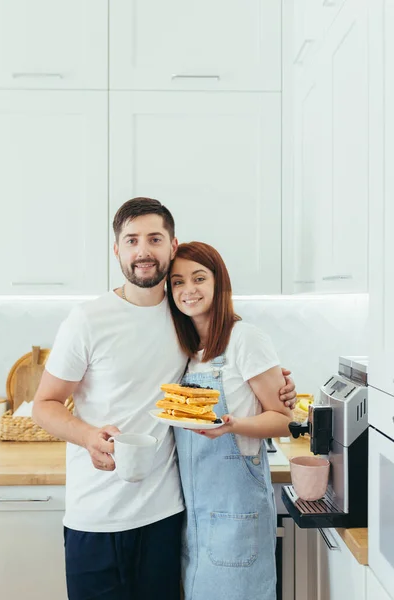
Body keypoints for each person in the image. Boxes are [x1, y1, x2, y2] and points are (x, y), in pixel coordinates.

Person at [32, 198, 297, 600]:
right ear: (117, 250)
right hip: (96, 518)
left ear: (172, 246)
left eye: (154, 238)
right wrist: (87, 436)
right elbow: (44, 404)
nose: (143, 251)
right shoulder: (87, 320)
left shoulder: (184, 320)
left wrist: (277, 391)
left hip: (167, 517)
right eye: (131, 240)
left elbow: (240, 371)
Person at [167, 241, 292, 600]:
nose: (188, 290)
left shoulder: (245, 339)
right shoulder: (186, 350)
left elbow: (284, 420)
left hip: (237, 518)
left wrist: (232, 425)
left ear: (218, 282)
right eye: (177, 282)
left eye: (198, 278)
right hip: (195, 520)